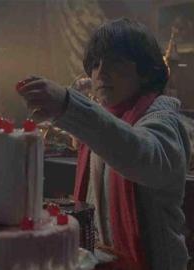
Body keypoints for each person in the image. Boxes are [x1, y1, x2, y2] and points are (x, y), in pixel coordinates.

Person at [17, 18, 191, 270]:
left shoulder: (164, 121)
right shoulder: (107, 121)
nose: (101, 72)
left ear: (146, 70)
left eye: (115, 61)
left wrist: (68, 104)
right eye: (96, 64)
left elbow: (139, 154)